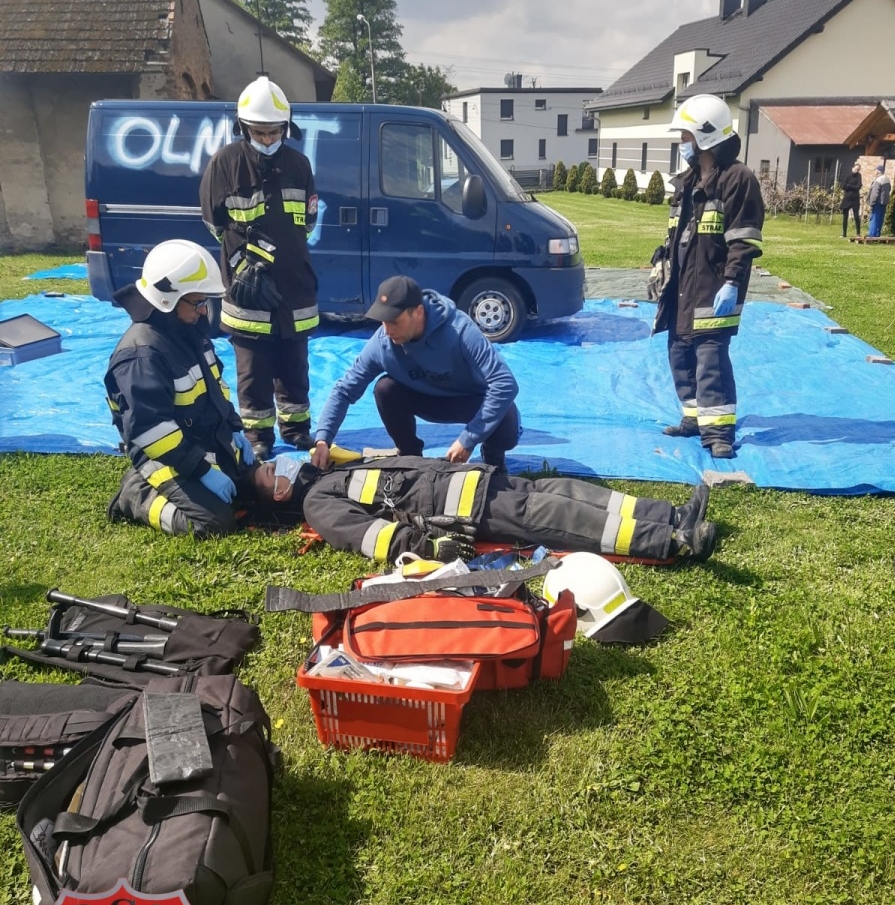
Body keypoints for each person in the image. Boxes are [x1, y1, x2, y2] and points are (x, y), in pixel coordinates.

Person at [272, 454, 717, 565]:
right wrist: (430, 548)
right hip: (469, 506)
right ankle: (670, 541)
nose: (278, 462)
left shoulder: (336, 471)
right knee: (560, 516)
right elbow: (371, 536)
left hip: (479, 479)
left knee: (565, 490)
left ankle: (669, 514)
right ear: (278, 493)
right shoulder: (317, 502)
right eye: (270, 470)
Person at [104, 239, 266, 537]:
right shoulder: (141, 355)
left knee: (253, 491)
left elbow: (217, 389)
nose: (204, 311)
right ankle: (136, 495)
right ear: (167, 300)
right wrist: (202, 471)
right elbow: (151, 431)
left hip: (201, 440)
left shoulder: (189, 332)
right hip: (163, 454)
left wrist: (234, 429)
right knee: (213, 523)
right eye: (197, 302)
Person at [200, 75, 319, 461]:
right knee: (253, 369)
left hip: (295, 286)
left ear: (286, 128)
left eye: (274, 132)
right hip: (247, 288)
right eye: (259, 132)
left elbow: (308, 222)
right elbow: (214, 224)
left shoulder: (299, 165)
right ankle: (258, 435)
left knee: (294, 366)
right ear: (243, 128)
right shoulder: (225, 164)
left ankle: (296, 429)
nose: (267, 139)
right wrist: (242, 264)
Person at [311, 275, 521, 474]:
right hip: (423, 399)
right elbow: (344, 390)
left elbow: (504, 383)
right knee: (385, 389)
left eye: (394, 321)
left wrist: (468, 439)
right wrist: (323, 440)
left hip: (468, 401)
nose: (387, 330)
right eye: (383, 321)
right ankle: (410, 457)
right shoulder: (382, 342)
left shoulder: (459, 329)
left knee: (506, 419)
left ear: (418, 312)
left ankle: (493, 456)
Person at [651, 93, 764, 461]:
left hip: (714, 288)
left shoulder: (738, 179)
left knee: (711, 361)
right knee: (679, 354)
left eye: (686, 136)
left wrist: (732, 283)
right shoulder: (686, 181)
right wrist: (661, 264)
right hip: (681, 288)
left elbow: (744, 240)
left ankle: (718, 434)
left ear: (706, 136)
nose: (682, 144)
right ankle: (694, 418)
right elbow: (677, 235)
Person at [867, 164, 891, 238]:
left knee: (874, 218)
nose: (875, 172)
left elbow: (875, 193)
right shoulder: (887, 179)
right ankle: (877, 234)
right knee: (880, 218)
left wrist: (872, 203)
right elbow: (889, 189)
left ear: (878, 171)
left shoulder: (878, 180)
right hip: (884, 202)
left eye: (876, 170)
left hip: (877, 202)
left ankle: (872, 234)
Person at [840, 162, 862, 239]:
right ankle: (844, 233)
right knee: (845, 217)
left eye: (858, 170)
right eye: (855, 169)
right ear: (853, 168)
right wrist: (852, 187)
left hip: (855, 199)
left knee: (856, 217)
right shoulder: (848, 176)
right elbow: (843, 186)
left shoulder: (859, 176)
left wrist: (849, 186)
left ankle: (858, 233)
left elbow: (858, 186)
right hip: (847, 198)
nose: (856, 170)